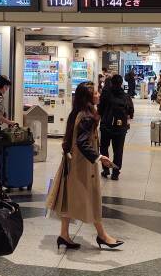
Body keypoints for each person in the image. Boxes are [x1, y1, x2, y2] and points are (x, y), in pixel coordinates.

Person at [53, 82, 124, 250]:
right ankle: (103, 235)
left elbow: (71, 139)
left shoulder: (76, 113)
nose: (99, 95)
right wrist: (99, 157)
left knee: (68, 198)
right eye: (96, 93)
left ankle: (64, 234)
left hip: (71, 162)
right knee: (92, 197)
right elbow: (83, 142)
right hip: (83, 165)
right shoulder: (87, 116)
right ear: (88, 97)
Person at [98, 74, 134, 181]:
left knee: (104, 148)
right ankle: (116, 173)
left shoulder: (106, 95)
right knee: (118, 151)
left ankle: (106, 170)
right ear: (121, 83)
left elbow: (100, 110)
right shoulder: (126, 96)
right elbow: (131, 113)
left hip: (106, 126)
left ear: (111, 83)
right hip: (120, 128)